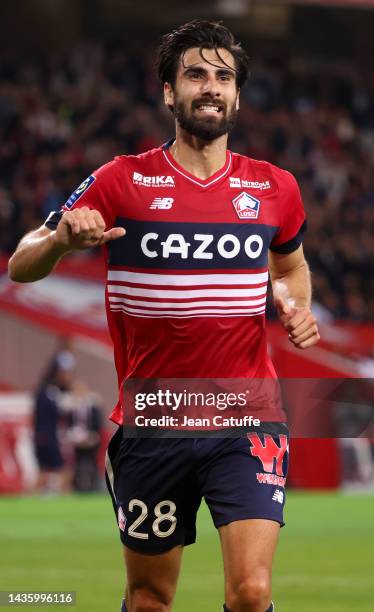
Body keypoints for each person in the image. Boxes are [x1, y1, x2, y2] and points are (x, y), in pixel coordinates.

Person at [8, 20, 320, 612]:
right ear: (168, 93)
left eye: (223, 77)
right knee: (151, 596)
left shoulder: (275, 187)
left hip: (246, 417)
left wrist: (293, 302)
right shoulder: (121, 180)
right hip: (153, 422)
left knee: (251, 594)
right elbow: (22, 265)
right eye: (195, 74)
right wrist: (58, 243)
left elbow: (290, 267)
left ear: (237, 95)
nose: (210, 86)